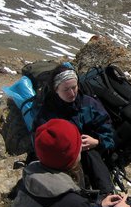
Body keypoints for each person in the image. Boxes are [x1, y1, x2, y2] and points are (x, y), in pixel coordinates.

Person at [33, 64, 115, 195]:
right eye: (66, 89)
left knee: (91, 154)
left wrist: (97, 142)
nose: (72, 93)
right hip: (62, 159)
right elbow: (40, 143)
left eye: (74, 87)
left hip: (90, 154)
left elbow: (109, 132)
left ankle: (108, 195)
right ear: (56, 89)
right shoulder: (47, 113)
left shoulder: (89, 104)